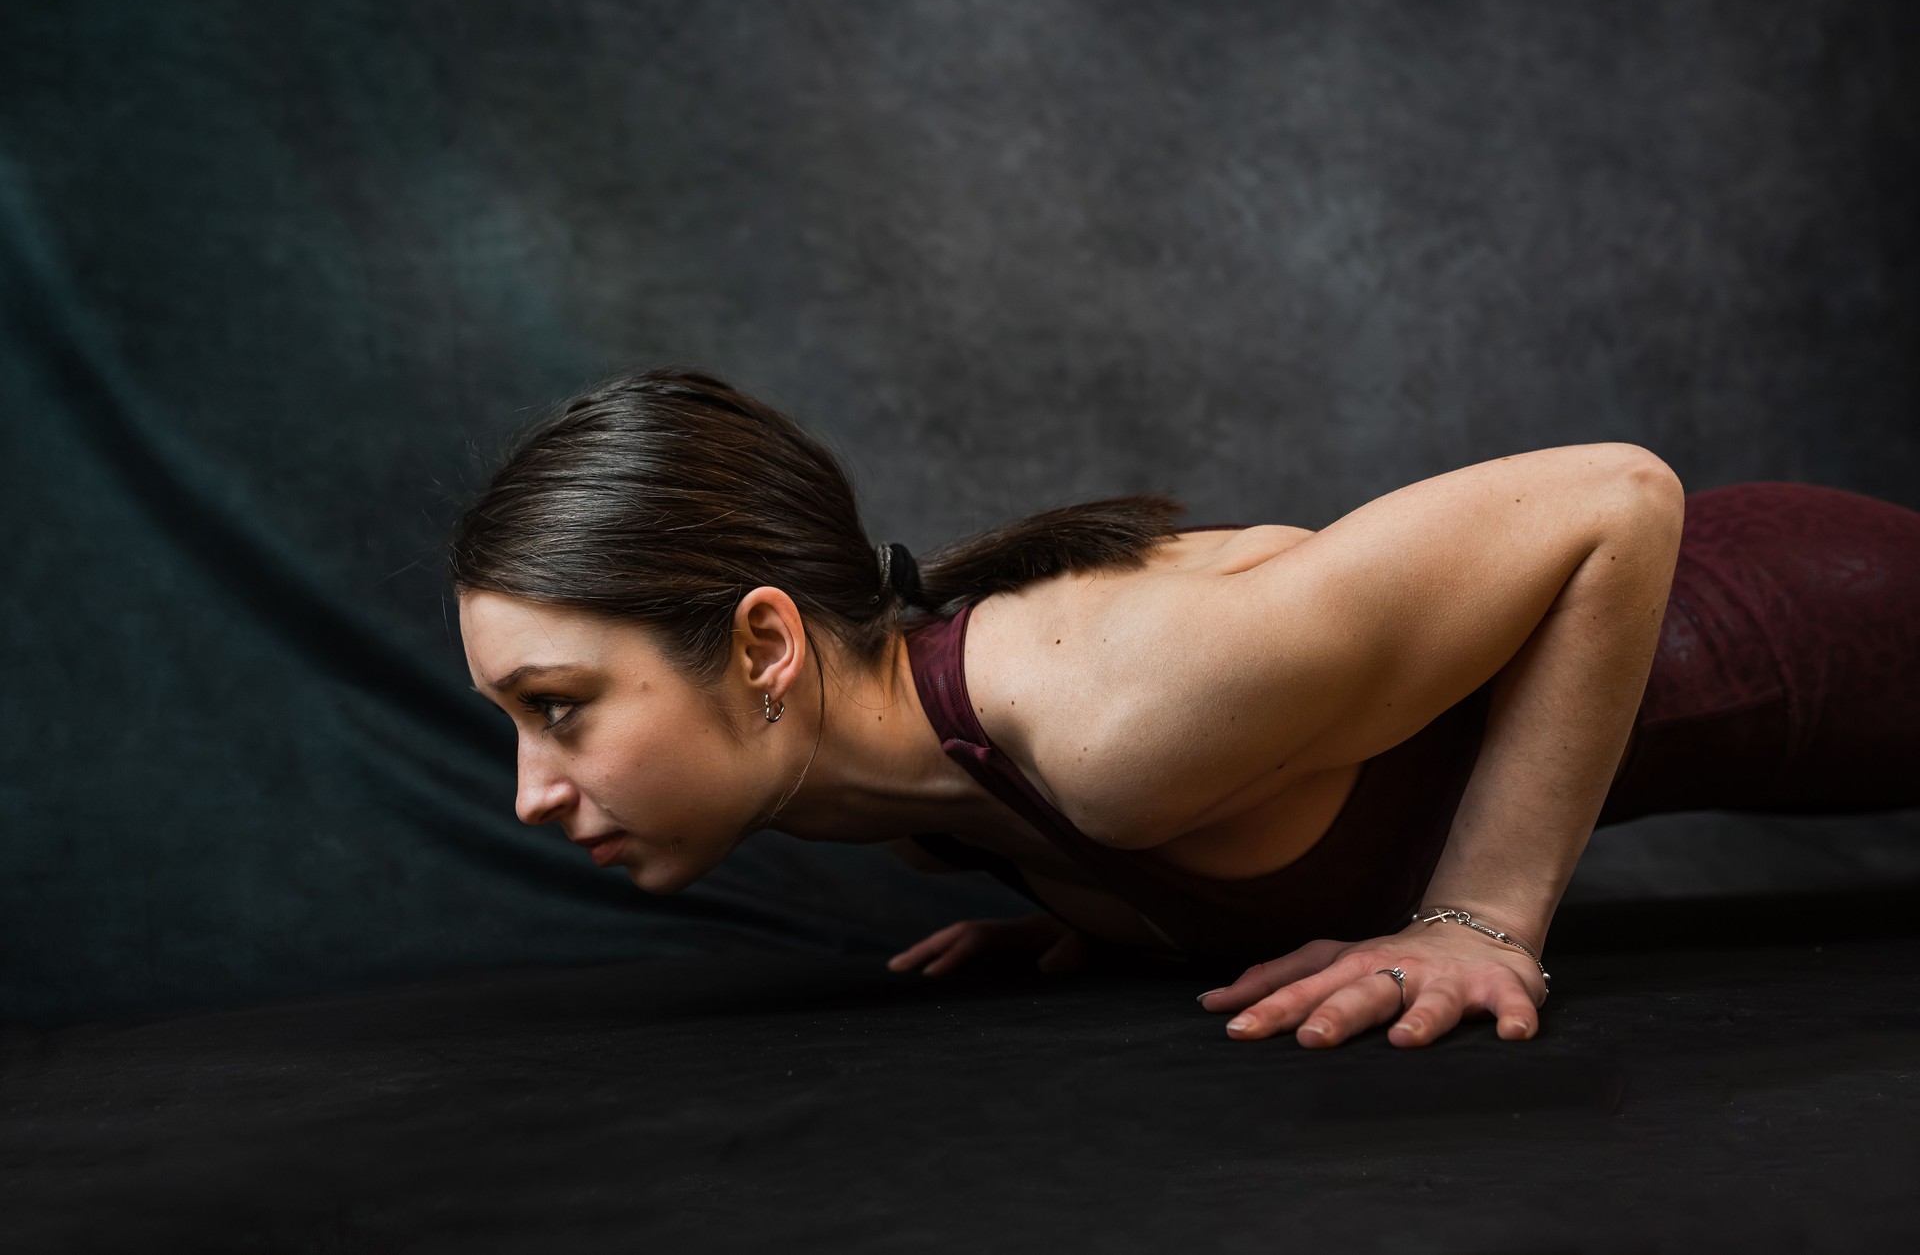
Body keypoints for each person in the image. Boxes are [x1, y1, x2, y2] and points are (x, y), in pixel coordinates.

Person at [450, 367, 1920, 1050]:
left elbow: (1618, 497)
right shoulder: (937, 816)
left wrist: (1481, 922)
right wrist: (1112, 912)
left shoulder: (1105, 721)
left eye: (560, 705)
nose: (530, 787)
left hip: (1827, 621)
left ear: (768, 643)